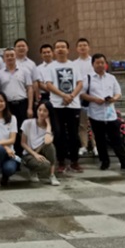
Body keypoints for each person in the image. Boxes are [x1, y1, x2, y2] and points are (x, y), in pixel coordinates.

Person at [81, 54, 125, 171]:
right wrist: (94, 99)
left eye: (102, 62)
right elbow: (82, 94)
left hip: (110, 114)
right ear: (93, 64)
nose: (100, 65)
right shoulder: (87, 78)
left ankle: (124, 162)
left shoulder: (111, 78)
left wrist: (114, 98)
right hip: (96, 114)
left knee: (116, 139)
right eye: (97, 63)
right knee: (100, 140)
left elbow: (118, 92)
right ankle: (104, 161)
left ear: (106, 64)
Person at [44, 39, 84, 173]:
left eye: (63, 47)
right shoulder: (50, 67)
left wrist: (71, 96)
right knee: (59, 134)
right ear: (54, 51)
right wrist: (63, 95)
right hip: (57, 106)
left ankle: (74, 161)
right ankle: (61, 161)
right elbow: (48, 85)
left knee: (73, 134)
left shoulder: (74, 66)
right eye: (58, 47)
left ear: (68, 50)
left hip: (73, 105)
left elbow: (80, 83)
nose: (60, 49)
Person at [0, 47, 34, 155]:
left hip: (22, 104)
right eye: (7, 56)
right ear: (3, 59)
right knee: (9, 129)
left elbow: (30, 89)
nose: (10, 58)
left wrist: (30, 107)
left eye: (12, 55)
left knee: (23, 130)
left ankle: (24, 154)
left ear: (15, 56)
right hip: (7, 106)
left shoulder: (24, 71)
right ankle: (12, 154)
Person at [21, 100, 61, 186]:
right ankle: (33, 170)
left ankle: (52, 175)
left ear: (49, 113)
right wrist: (35, 154)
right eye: (40, 110)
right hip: (29, 154)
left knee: (50, 146)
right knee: (45, 164)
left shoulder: (52, 127)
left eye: (45, 111)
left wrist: (48, 125)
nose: (41, 113)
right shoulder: (28, 123)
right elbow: (23, 143)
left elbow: (47, 142)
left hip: (42, 152)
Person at [73, 38, 98, 157]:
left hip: (93, 97)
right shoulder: (74, 64)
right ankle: (84, 145)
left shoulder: (94, 62)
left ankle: (96, 146)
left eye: (84, 45)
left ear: (89, 47)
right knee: (82, 124)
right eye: (80, 45)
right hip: (79, 97)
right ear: (77, 48)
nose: (82, 47)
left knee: (94, 123)